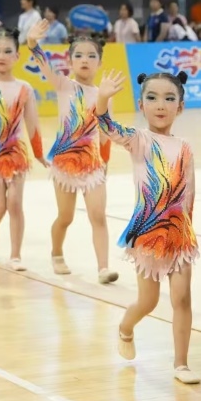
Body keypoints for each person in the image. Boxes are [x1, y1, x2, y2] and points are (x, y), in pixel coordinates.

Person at [96, 70, 200, 385]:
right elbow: (106, 125)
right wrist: (103, 98)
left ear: (180, 107)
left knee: (182, 298)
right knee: (149, 301)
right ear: (141, 104)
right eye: (152, 97)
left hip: (179, 236)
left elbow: (189, 193)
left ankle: (181, 363)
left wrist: (188, 232)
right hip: (148, 233)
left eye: (170, 98)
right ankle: (126, 328)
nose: (161, 105)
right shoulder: (139, 140)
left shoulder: (185, 146)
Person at [26, 20, 118, 284]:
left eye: (91, 55)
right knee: (65, 217)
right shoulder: (63, 85)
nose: (85, 60)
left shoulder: (104, 95)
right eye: (78, 55)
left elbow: (106, 131)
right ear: (70, 61)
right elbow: (41, 60)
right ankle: (56, 252)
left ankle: (103, 268)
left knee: (98, 215)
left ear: (100, 62)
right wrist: (32, 42)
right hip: (65, 164)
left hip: (92, 165)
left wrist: (105, 163)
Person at [0, 28, 47, 271]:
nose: (1, 55)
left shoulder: (24, 88)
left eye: (7, 51)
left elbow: (32, 123)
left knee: (15, 203)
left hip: (16, 153)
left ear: (17, 57)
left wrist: (38, 153)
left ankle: (15, 255)